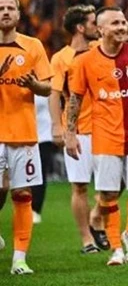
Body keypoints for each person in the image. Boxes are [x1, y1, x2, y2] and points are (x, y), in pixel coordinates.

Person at [66, 6, 128, 266]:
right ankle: (116, 249)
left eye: (123, 22)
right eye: (115, 23)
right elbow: (75, 99)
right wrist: (70, 133)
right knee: (108, 195)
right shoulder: (84, 61)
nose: (121, 27)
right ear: (100, 30)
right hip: (105, 138)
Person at [0, 0, 53, 274]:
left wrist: (34, 85)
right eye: (1, 8)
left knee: (22, 193)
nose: (5, 12)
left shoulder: (33, 46)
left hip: (23, 133)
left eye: (10, 8)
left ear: (19, 14)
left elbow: (48, 86)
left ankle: (19, 259)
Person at [49, 4, 109, 253]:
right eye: (94, 22)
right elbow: (54, 95)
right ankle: (87, 240)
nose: (99, 27)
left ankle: (97, 216)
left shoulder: (102, 48)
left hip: (107, 127)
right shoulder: (61, 58)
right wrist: (57, 127)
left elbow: (127, 32)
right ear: (80, 28)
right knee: (80, 185)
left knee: (115, 183)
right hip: (79, 131)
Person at [31, 94, 57, 225]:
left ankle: (35, 209)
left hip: (43, 135)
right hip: (21, 135)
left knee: (40, 172)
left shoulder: (46, 85)